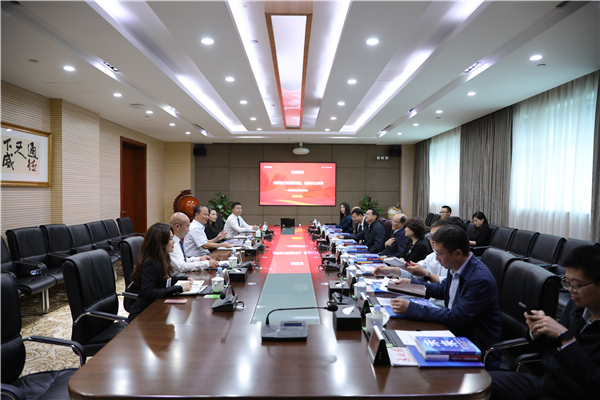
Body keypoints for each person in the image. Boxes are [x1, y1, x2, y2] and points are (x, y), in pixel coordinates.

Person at [489, 245, 600, 400]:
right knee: (479, 384)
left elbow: (595, 385)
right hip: (547, 383)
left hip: (574, 394)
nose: (570, 290)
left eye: (576, 285)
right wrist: (539, 330)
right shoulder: (576, 307)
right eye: (567, 283)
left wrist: (567, 339)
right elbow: (550, 348)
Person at [388, 225, 502, 369]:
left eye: (439, 254)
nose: (437, 258)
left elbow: (456, 316)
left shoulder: (480, 279)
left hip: (474, 347)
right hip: (455, 334)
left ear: (457, 253)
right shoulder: (456, 267)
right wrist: (411, 285)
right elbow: (442, 289)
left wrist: (411, 308)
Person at [127, 223, 193, 321]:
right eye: (170, 239)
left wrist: (185, 278)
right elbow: (149, 292)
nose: (174, 242)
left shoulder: (161, 258)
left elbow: (164, 281)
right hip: (143, 316)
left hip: (156, 310)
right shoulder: (150, 263)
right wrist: (180, 288)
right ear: (160, 242)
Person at [375, 218, 454, 283]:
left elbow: (444, 285)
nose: (432, 240)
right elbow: (412, 272)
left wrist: (425, 274)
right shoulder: (431, 256)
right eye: (431, 236)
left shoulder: (451, 259)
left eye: (437, 236)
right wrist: (389, 270)